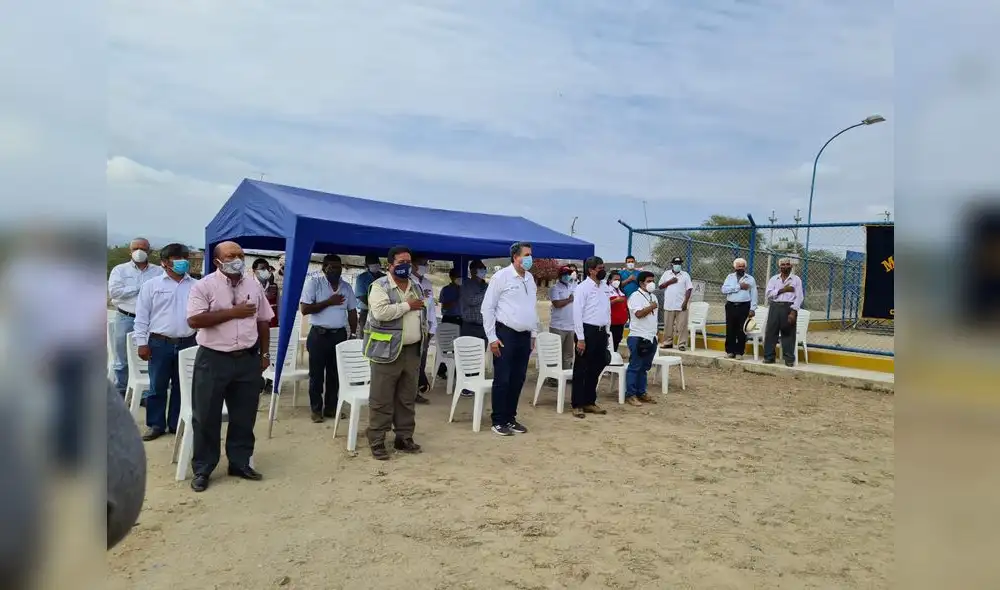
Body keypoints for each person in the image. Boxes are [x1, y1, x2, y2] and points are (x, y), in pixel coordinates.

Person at [185, 241, 273, 492]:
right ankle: (203, 468)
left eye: (240, 254)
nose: (237, 258)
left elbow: (264, 320)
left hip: (247, 359)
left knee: (244, 415)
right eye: (231, 255)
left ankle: (239, 462)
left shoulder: (253, 285)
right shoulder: (203, 286)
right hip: (213, 359)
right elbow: (194, 319)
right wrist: (234, 312)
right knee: (206, 416)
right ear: (217, 261)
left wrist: (264, 354)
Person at [364, 246, 427, 460]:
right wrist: (407, 306)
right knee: (382, 398)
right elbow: (380, 313)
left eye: (408, 262)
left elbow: (423, 311)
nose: (405, 266)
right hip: (386, 351)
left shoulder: (416, 286)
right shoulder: (379, 286)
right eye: (401, 262)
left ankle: (404, 437)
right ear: (389, 265)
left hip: (411, 350)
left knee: (407, 397)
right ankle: (377, 440)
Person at [132, 243, 197, 441]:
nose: (182, 262)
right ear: (164, 263)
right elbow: (142, 317)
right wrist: (142, 343)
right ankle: (155, 424)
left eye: (184, 257)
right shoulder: (152, 286)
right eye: (177, 258)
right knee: (157, 385)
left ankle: (176, 423)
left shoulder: (196, 285)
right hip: (159, 343)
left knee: (182, 386)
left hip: (188, 341)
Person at [481, 242, 538, 436]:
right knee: (503, 379)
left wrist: (534, 333)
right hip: (505, 334)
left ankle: (510, 418)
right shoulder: (501, 277)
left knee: (518, 378)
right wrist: (492, 337)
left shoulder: (530, 279)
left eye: (531, 254)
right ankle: (498, 420)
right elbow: (487, 308)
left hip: (524, 336)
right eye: (527, 254)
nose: (530, 258)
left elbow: (532, 308)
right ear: (515, 257)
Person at [300, 254, 359, 423]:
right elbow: (305, 309)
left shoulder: (346, 287)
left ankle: (331, 409)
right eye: (332, 267)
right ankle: (316, 410)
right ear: (324, 268)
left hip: (339, 335)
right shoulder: (314, 284)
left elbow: (352, 311)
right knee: (316, 375)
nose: (336, 270)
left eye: (339, 267)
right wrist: (329, 302)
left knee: (335, 375)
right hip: (319, 335)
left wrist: (353, 333)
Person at [107, 237, 164, 398]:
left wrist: (132, 290)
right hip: (126, 317)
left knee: (147, 356)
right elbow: (115, 292)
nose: (139, 252)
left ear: (150, 251)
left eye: (143, 248)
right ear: (129, 251)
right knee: (122, 357)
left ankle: (145, 394)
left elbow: (160, 293)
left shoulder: (158, 271)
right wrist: (143, 288)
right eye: (135, 248)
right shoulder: (120, 270)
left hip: (151, 320)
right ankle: (121, 390)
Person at [571, 256, 611, 418]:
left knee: (597, 366)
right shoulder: (582, 288)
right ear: (591, 270)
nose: (603, 271)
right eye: (600, 268)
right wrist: (580, 338)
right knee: (581, 368)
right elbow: (577, 314)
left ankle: (589, 401)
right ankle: (577, 404)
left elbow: (606, 310)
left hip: (601, 332)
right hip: (587, 332)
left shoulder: (604, 287)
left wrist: (607, 331)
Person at [625, 271, 659, 406]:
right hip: (638, 336)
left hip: (651, 336)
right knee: (635, 366)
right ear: (641, 283)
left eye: (653, 281)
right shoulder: (635, 296)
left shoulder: (654, 297)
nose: (652, 283)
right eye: (649, 281)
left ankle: (641, 392)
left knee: (644, 367)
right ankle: (631, 394)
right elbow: (638, 314)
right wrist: (651, 307)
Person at [763, 258, 804, 366]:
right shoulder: (773, 279)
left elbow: (799, 297)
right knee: (771, 332)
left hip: (788, 307)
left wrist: (793, 311)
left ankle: (789, 359)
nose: (785, 266)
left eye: (787, 264)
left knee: (788, 333)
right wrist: (783, 290)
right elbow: (769, 294)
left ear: (791, 266)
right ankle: (769, 357)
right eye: (783, 265)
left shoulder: (796, 280)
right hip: (775, 307)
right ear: (779, 266)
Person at [721, 257, 758, 360]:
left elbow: (754, 294)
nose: (740, 268)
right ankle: (730, 351)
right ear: (735, 267)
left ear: (745, 267)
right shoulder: (729, 277)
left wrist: (753, 309)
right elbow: (724, 290)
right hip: (731, 305)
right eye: (738, 266)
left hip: (744, 306)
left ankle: (739, 352)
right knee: (730, 328)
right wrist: (738, 287)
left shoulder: (750, 279)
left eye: (742, 266)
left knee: (742, 330)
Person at [412, 256, 436, 402]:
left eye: (426, 263)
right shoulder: (407, 281)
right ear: (413, 265)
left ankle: (416, 391)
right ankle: (409, 392)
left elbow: (431, 306)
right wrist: (420, 297)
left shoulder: (427, 282)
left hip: (425, 328)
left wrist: (433, 327)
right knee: (411, 361)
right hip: (412, 327)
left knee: (421, 360)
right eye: (422, 263)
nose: (425, 266)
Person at [658, 256, 694, 350]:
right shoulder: (666, 274)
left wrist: (685, 302)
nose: (678, 265)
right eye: (676, 264)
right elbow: (660, 286)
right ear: (672, 264)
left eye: (679, 264)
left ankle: (682, 344)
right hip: (669, 304)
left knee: (682, 326)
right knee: (668, 326)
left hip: (681, 305)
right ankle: (668, 342)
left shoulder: (685, 275)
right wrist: (670, 281)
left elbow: (689, 289)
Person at [547, 265, 576, 377]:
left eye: (568, 274)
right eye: (564, 274)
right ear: (559, 276)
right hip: (558, 326)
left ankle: (566, 375)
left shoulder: (571, 287)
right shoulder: (555, 288)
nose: (566, 276)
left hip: (570, 326)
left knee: (568, 353)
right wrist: (569, 299)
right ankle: (553, 377)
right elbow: (557, 304)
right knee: (555, 353)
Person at [460, 259, 489, 342]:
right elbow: (472, 300)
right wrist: (486, 293)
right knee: (469, 353)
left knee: (482, 353)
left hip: (484, 327)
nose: (483, 270)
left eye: (484, 268)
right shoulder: (466, 285)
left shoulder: (485, 285)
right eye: (480, 268)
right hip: (470, 327)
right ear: (473, 271)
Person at [354, 254, 385, 330]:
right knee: (365, 334)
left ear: (380, 264)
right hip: (366, 311)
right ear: (367, 266)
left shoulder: (385, 277)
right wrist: (374, 306)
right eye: (372, 264)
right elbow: (361, 296)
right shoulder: (361, 278)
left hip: (382, 311)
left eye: (376, 263)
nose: (375, 265)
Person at [252, 258, 280, 327]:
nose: (266, 271)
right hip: (254, 324)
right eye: (262, 268)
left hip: (272, 323)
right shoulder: (249, 285)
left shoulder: (274, 286)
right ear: (254, 270)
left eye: (267, 268)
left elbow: (278, 305)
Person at [606, 270, 628, 351]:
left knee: (618, 339)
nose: (617, 281)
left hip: (621, 321)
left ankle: (614, 354)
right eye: (615, 279)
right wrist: (615, 301)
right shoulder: (607, 290)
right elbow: (604, 304)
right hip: (612, 321)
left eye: (619, 280)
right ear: (609, 280)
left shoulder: (620, 291)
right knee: (612, 341)